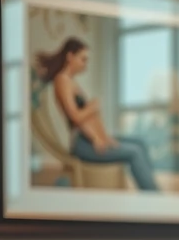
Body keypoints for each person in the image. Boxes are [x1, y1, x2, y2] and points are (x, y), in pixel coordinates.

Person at [35, 37, 160, 191]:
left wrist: (103, 137)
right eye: (83, 59)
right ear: (70, 57)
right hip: (83, 144)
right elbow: (75, 117)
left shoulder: (71, 81)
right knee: (134, 153)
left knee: (140, 143)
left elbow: (88, 119)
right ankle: (154, 197)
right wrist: (93, 110)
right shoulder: (62, 81)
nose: (85, 65)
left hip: (90, 139)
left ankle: (155, 193)